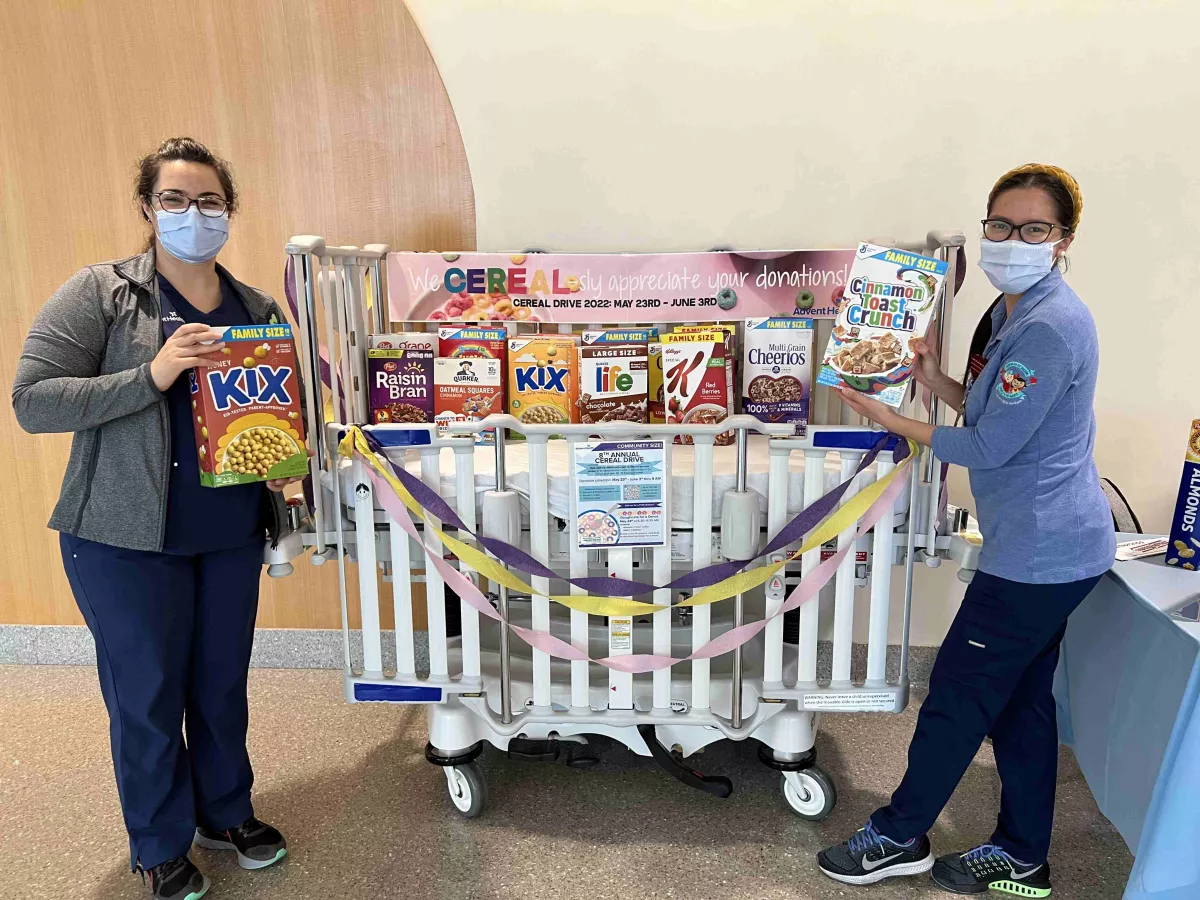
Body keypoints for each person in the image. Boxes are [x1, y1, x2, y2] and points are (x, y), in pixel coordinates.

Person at [13, 137, 304, 900]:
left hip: (230, 535)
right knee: (146, 694)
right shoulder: (102, 294)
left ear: (229, 212)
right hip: (122, 540)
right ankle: (158, 842)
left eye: (209, 201)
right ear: (147, 209)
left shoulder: (257, 310)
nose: (192, 214)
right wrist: (151, 374)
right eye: (174, 200)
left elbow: (268, 418)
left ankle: (226, 812)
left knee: (219, 687)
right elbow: (33, 401)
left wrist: (288, 471)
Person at [816, 164, 1116, 897]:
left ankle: (898, 835)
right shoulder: (1011, 308)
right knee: (1018, 704)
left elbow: (987, 448)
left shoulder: (1049, 325)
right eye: (1001, 225)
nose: (1012, 240)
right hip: (1043, 545)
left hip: (1039, 554)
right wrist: (930, 380)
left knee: (957, 692)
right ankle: (1022, 857)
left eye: (1033, 229)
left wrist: (894, 421)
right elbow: (987, 413)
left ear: (1064, 239)